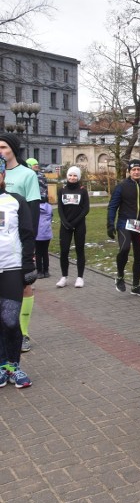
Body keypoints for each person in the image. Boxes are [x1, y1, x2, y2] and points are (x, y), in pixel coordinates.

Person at [0, 134, 41, 353]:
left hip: (19, 246)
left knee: (25, 287)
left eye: (3, 146)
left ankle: (23, 333)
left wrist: (30, 248)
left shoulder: (26, 175)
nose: (0, 150)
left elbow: (32, 213)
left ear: (13, 149)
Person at [0, 156, 36, 388]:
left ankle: (14, 365)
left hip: (11, 268)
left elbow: (26, 234)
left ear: (2, 175)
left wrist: (28, 267)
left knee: (10, 321)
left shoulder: (15, 201)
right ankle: (2, 365)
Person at [107, 159, 140, 296]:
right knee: (125, 248)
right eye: (133, 169)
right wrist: (110, 224)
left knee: (139, 256)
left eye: (138, 169)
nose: (136, 172)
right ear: (129, 171)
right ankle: (120, 276)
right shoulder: (122, 186)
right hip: (124, 223)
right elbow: (112, 206)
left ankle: (135, 286)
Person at [56, 166, 90, 289]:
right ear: (67, 176)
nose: (72, 177)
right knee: (64, 251)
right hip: (65, 225)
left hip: (79, 224)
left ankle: (80, 277)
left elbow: (86, 209)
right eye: (70, 175)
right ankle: (64, 277)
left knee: (79, 250)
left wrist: (75, 222)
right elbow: (60, 208)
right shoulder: (62, 190)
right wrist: (65, 222)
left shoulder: (83, 190)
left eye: (75, 175)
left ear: (78, 177)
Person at [35, 187, 53, 279]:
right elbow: (51, 218)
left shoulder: (34, 207)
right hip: (47, 233)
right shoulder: (49, 207)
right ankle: (46, 271)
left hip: (37, 234)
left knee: (38, 253)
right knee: (45, 252)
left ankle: (39, 271)